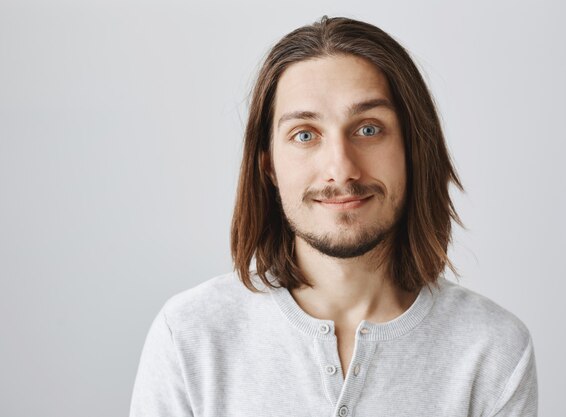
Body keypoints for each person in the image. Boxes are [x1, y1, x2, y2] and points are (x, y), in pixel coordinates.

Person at [129, 15, 538, 417]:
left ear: (414, 150)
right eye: (305, 135)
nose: (341, 169)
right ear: (268, 165)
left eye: (368, 129)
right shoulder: (189, 335)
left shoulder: (492, 349)